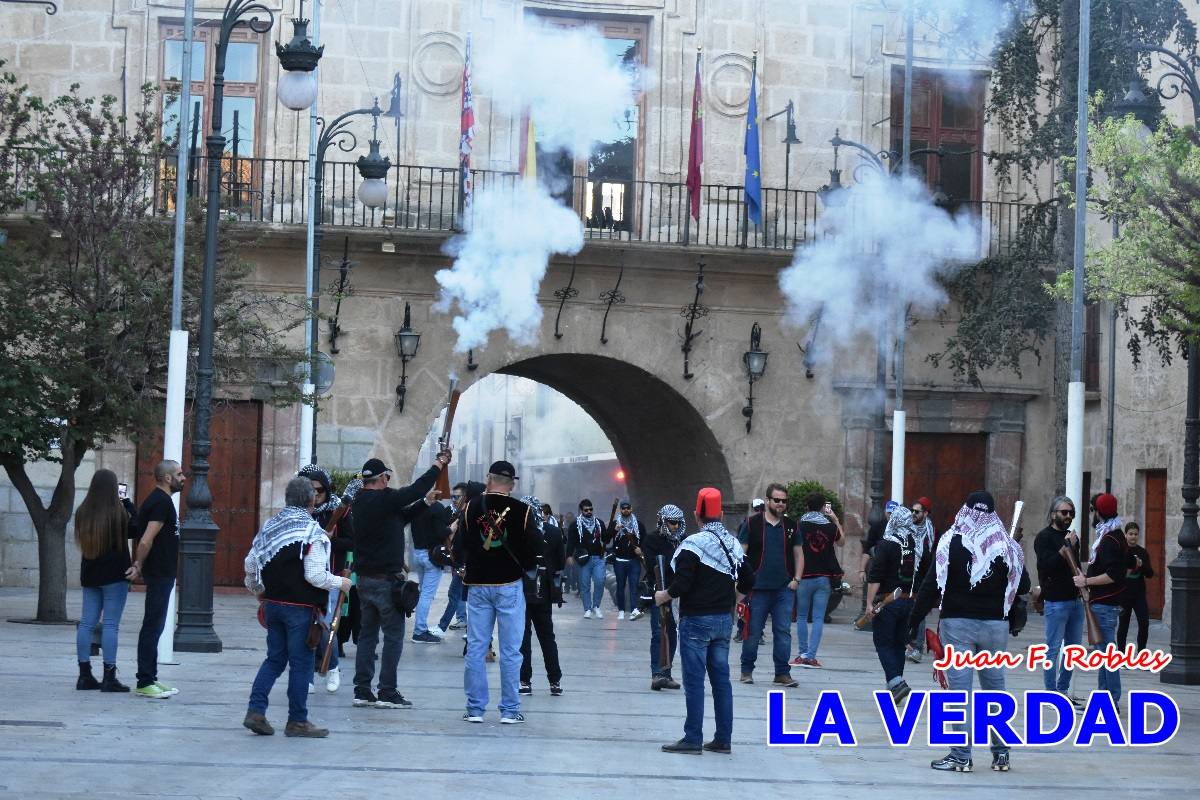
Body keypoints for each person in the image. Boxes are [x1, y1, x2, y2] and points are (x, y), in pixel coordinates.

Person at [909, 490, 1028, 773]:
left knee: (959, 692)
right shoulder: (1005, 544)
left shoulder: (950, 541)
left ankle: (961, 755)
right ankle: (1001, 755)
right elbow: (1021, 585)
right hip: (995, 627)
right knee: (995, 690)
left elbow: (931, 585)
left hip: (957, 624)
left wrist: (913, 621)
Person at [242, 477, 352, 738]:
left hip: (273, 606)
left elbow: (250, 563)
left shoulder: (270, 526)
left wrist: (259, 591)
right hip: (300, 609)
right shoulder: (312, 532)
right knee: (301, 663)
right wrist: (341, 582)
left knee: (275, 659)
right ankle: (297, 720)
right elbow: (315, 575)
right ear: (311, 500)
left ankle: (255, 711)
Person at [656, 487, 754, 755]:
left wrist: (663, 595)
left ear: (697, 515)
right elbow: (749, 580)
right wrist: (733, 600)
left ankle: (692, 737)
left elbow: (682, 584)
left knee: (695, 680)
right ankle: (723, 738)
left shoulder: (692, 545)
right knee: (721, 680)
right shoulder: (733, 544)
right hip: (724, 621)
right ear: (721, 513)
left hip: (696, 622)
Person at [350, 452, 449, 709]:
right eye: (387, 477)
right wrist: (437, 466)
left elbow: (400, 517)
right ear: (382, 478)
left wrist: (425, 503)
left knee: (368, 636)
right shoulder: (383, 499)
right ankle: (387, 691)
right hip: (385, 581)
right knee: (393, 636)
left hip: (365, 580)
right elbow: (413, 490)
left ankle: (362, 689)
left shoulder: (360, 501)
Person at [455, 461, 538, 724]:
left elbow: (459, 548)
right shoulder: (522, 510)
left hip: (478, 585)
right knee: (512, 650)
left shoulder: (470, 508)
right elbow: (535, 547)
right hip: (509, 585)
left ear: (489, 479)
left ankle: (476, 709)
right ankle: (510, 710)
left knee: (477, 648)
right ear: (512, 483)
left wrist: (469, 564)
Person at [74, 469, 135, 692]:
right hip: (114, 575)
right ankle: (109, 677)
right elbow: (136, 528)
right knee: (110, 624)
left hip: (90, 573)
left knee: (87, 623)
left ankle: (84, 674)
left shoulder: (82, 512)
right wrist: (128, 503)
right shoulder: (117, 513)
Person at [737, 483, 801, 688]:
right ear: (768, 501)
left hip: (784, 588)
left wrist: (796, 579)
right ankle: (746, 671)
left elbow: (799, 554)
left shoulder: (791, 526)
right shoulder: (752, 523)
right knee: (753, 631)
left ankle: (782, 673)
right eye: (777, 500)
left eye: (784, 501)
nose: (781, 504)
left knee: (783, 631)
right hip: (757, 589)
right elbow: (740, 554)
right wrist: (743, 582)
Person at [298, 464, 353, 694]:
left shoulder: (340, 511)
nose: (316, 495)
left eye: (319, 490)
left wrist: (328, 540)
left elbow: (351, 542)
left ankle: (332, 668)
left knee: (324, 625)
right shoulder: (301, 512)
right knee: (305, 628)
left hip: (330, 576)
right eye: (311, 490)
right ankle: (309, 674)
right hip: (304, 578)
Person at [132, 460, 185, 699]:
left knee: (156, 625)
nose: (183, 478)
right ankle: (144, 680)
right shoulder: (161, 502)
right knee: (152, 626)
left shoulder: (161, 501)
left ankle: (151, 678)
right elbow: (146, 540)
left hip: (163, 572)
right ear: (167, 478)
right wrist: (138, 564)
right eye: (179, 474)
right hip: (159, 572)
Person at [864, 506, 923, 704]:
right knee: (899, 643)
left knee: (882, 642)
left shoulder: (886, 544)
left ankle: (897, 682)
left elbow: (876, 575)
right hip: (908, 600)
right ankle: (895, 685)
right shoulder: (914, 542)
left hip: (888, 600)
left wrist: (869, 603)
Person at [1077, 492, 1127, 703]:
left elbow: (1112, 575)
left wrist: (1086, 582)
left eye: (1093, 510)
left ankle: (1111, 699)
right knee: (1104, 655)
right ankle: (1103, 696)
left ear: (1098, 513)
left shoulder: (1108, 540)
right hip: (1104, 603)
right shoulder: (1114, 535)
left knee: (1107, 656)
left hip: (1105, 604)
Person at [1034, 495, 1084, 702]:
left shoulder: (1072, 538)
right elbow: (1047, 565)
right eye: (1064, 512)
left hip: (1075, 599)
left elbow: (1075, 566)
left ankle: (1062, 690)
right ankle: (1050, 691)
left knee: (1073, 650)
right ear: (1053, 514)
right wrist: (1066, 548)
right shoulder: (1044, 537)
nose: (1068, 516)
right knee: (1053, 648)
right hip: (1056, 600)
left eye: (1071, 513)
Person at [519, 495, 564, 696]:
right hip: (544, 591)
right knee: (547, 637)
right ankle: (554, 681)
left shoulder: (516, 533)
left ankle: (524, 681)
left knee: (523, 637)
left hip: (520, 590)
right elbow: (560, 563)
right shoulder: (553, 532)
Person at [792, 493, 842, 669]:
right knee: (819, 617)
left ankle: (802, 654)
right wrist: (835, 520)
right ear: (823, 507)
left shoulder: (799, 525)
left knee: (801, 616)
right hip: (824, 578)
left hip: (803, 577)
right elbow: (842, 542)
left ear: (807, 506)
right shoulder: (829, 527)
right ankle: (811, 657)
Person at [640, 503, 685, 690]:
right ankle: (657, 673)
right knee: (659, 633)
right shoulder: (652, 540)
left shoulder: (684, 540)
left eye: (677, 523)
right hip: (659, 591)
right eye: (671, 522)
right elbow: (653, 567)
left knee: (673, 634)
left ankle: (666, 673)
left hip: (678, 594)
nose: (675, 526)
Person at [408, 484, 454, 643]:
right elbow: (441, 532)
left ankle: (421, 628)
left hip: (418, 553)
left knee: (423, 593)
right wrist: (452, 528)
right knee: (427, 595)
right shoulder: (438, 508)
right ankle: (419, 631)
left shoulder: (417, 506)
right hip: (431, 556)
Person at [436, 483, 471, 634]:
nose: (454, 500)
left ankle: (443, 627)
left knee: (459, 595)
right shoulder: (455, 514)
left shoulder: (467, 516)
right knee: (459, 595)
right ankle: (461, 622)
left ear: (465, 497)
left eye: (457, 496)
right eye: (452, 497)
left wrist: (463, 565)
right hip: (458, 563)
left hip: (464, 564)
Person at [905, 496, 935, 662]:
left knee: (919, 613)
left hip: (921, 579)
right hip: (906, 578)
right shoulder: (907, 528)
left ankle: (917, 648)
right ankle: (907, 644)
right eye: (912, 511)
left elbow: (931, 559)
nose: (913, 514)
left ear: (926, 513)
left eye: (917, 511)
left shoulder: (931, 533)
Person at [567, 499, 607, 619]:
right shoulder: (575, 525)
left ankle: (596, 606)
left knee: (600, 581)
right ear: (581, 510)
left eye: (591, 509)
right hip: (583, 559)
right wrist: (569, 555)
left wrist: (613, 530)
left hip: (598, 558)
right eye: (586, 510)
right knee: (584, 585)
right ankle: (587, 608)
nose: (589, 511)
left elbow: (606, 538)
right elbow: (571, 542)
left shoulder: (599, 523)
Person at [858, 500, 897, 621]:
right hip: (879, 564)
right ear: (885, 512)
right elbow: (867, 548)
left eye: (893, 513)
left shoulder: (902, 528)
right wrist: (861, 570)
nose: (891, 516)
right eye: (889, 513)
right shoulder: (877, 526)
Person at [607, 499, 645, 620]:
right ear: (620, 510)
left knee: (634, 586)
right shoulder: (615, 524)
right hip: (619, 561)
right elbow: (606, 538)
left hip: (634, 561)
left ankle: (634, 609)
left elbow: (646, 540)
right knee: (620, 586)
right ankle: (621, 610)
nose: (626, 510)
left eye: (628, 508)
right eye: (623, 508)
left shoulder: (638, 525)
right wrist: (615, 530)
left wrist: (641, 549)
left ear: (631, 509)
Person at [1118, 521, 1154, 652]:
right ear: (1125, 535)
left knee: (1144, 624)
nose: (1133, 537)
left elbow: (1150, 573)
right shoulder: (1121, 551)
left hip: (1139, 594)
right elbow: (1116, 572)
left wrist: (1141, 565)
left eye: (1136, 534)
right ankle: (1120, 655)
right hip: (1124, 593)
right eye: (1130, 534)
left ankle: (1142, 654)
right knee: (1123, 625)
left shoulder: (1142, 552)